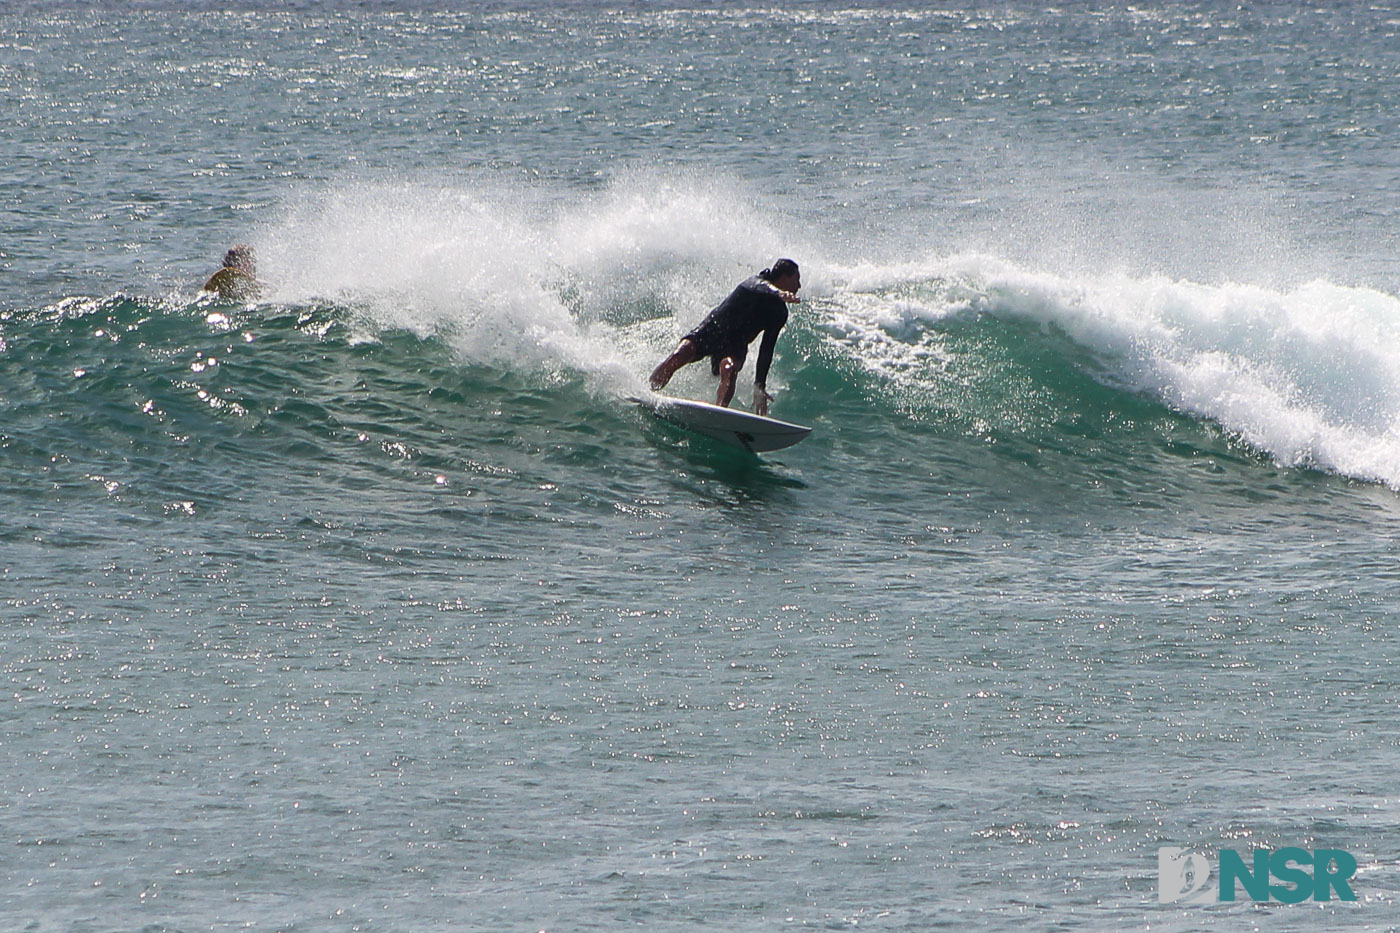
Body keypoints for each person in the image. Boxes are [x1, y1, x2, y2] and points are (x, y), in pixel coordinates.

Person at [649, 259, 801, 417]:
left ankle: (720, 414)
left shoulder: (779, 313)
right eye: (796, 279)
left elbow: (767, 348)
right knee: (680, 355)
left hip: (736, 342)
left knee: (730, 369)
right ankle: (648, 391)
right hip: (713, 329)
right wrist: (778, 293)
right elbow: (758, 286)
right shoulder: (754, 282)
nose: (799, 286)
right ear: (784, 277)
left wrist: (759, 385)